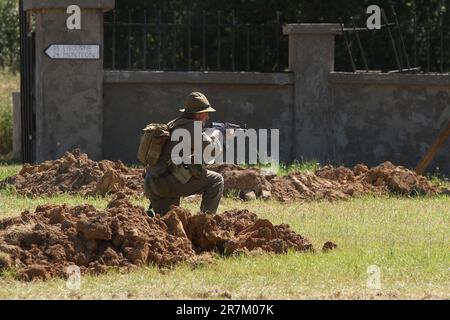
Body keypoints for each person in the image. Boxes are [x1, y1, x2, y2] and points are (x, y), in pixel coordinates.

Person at [143, 92, 225, 216]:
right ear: (197, 114)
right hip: (167, 184)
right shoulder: (192, 127)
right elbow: (211, 151)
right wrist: (218, 135)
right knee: (216, 180)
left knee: (169, 224)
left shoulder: (175, 123)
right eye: (205, 113)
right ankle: (205, 222)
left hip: (153, 183)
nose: (207, 117)